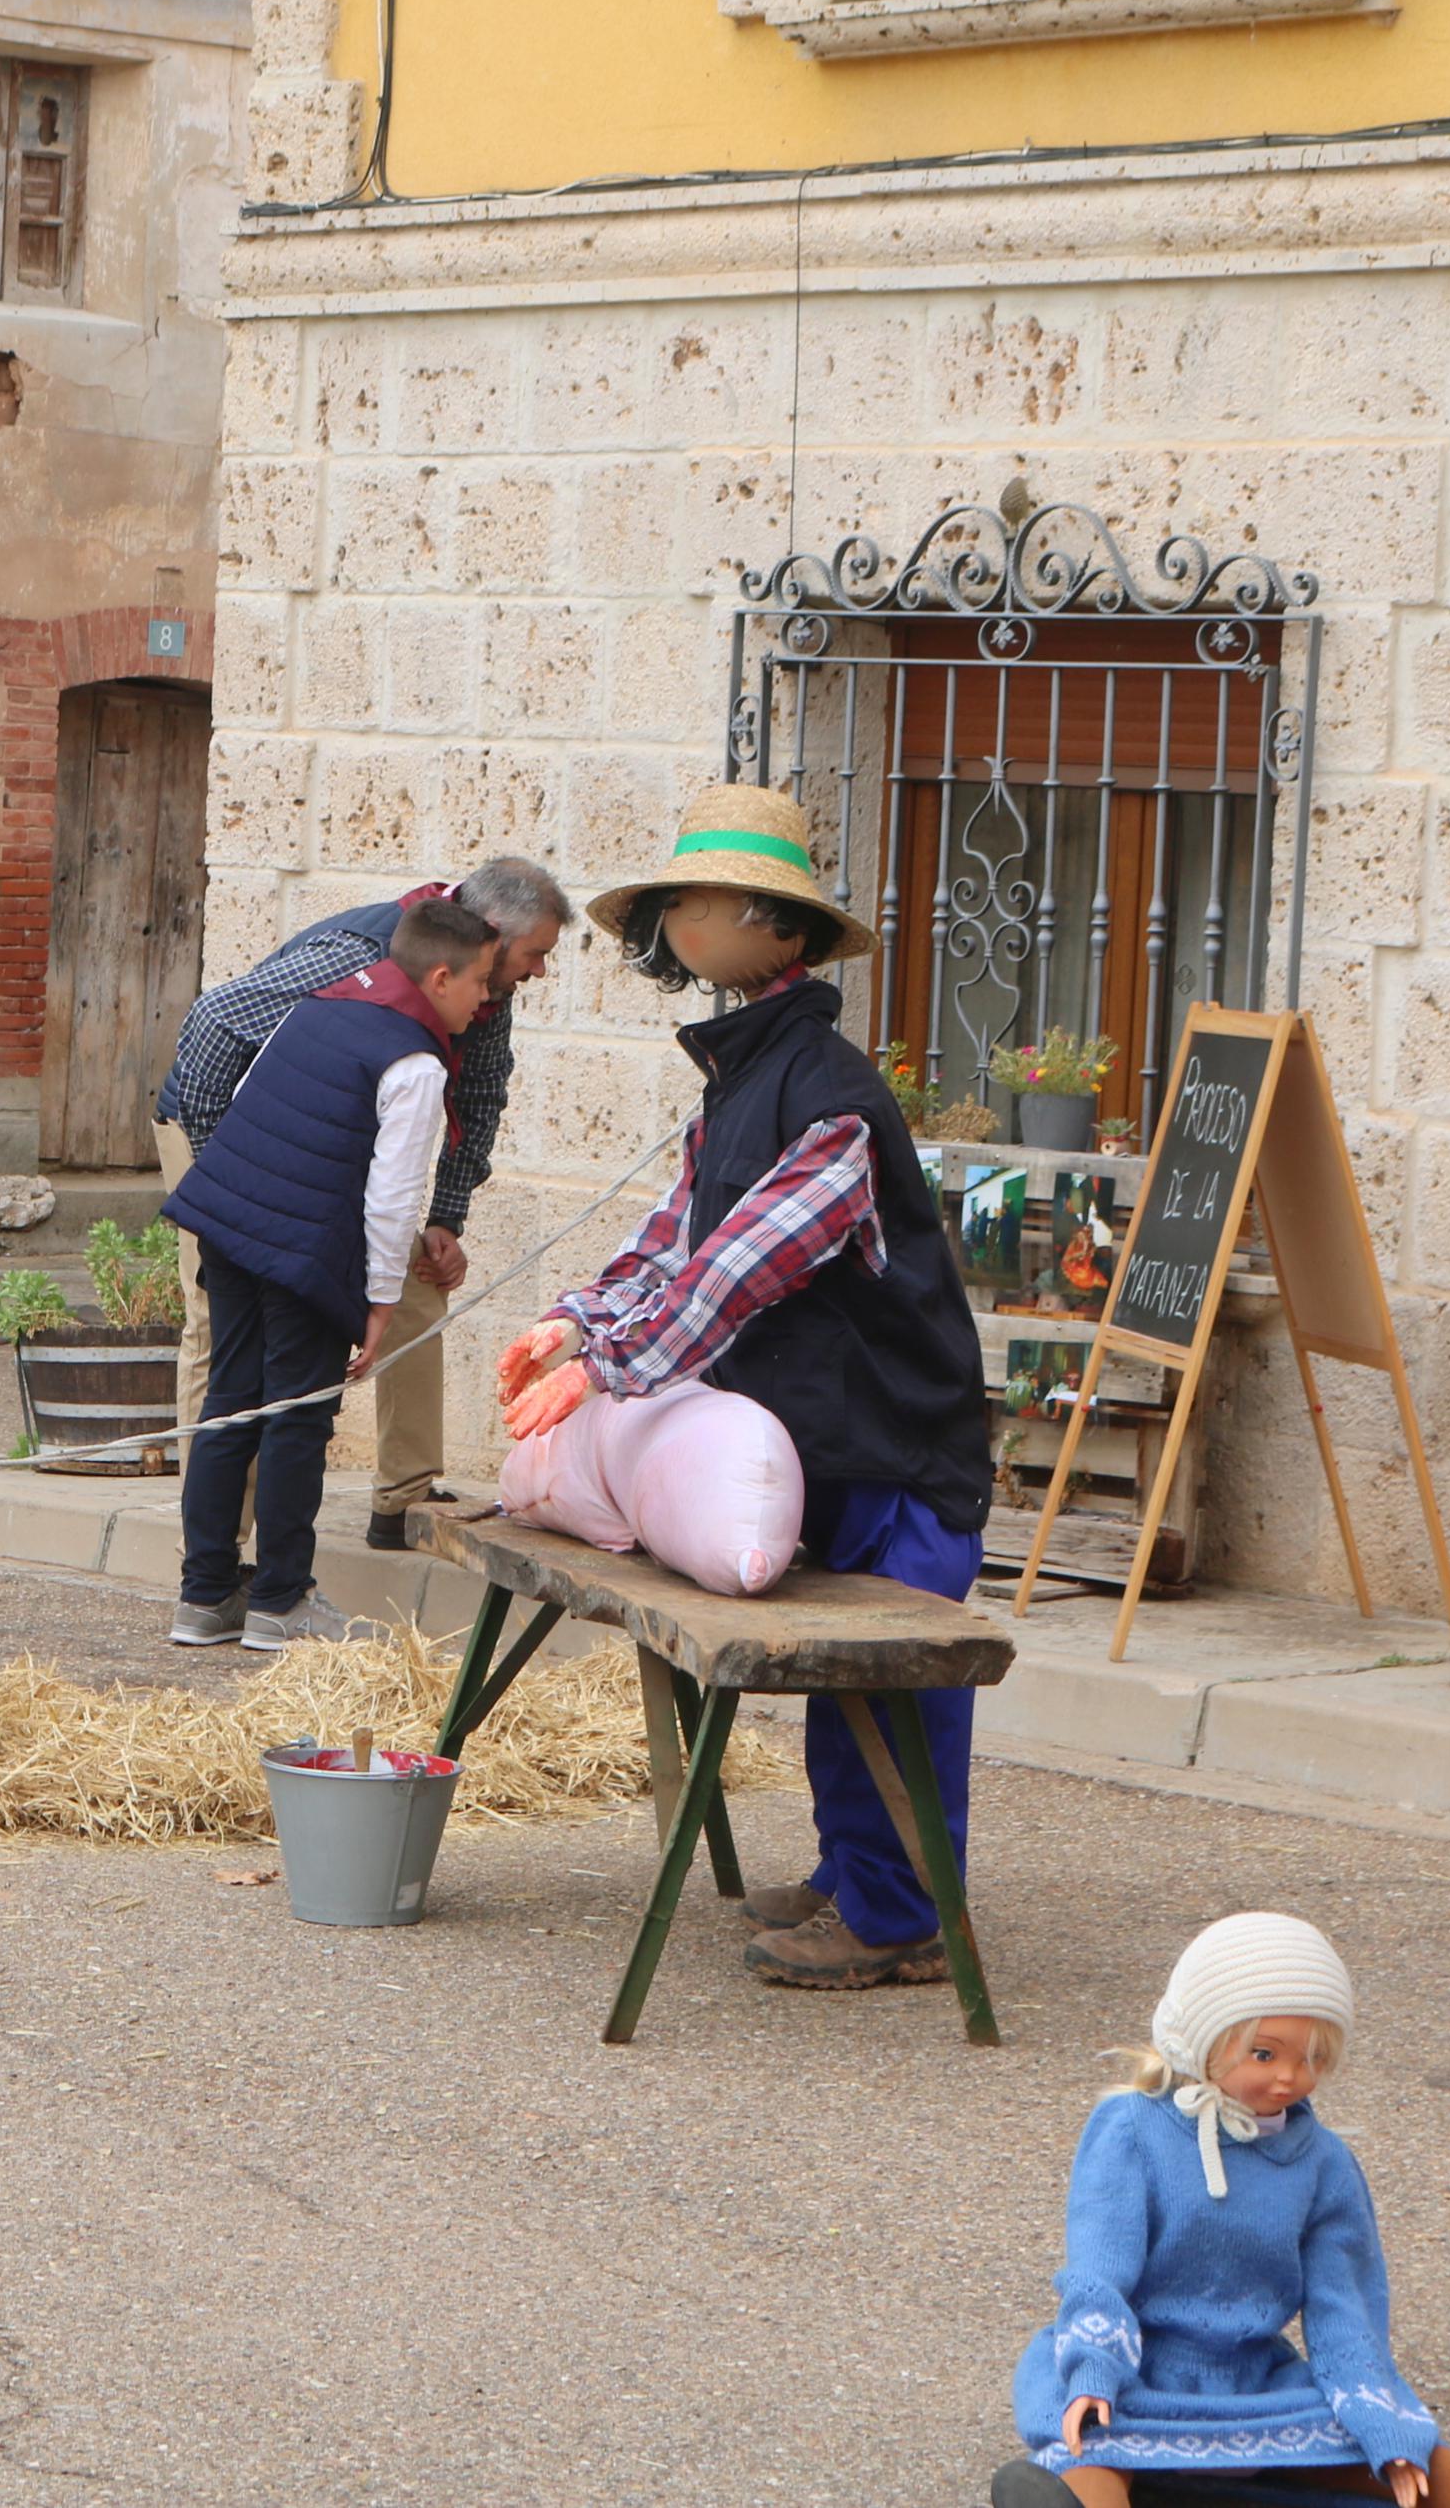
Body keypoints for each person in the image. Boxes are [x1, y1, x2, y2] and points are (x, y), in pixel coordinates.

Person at [494, 783, 994, 1992]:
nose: (675, 915)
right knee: (836, 1683)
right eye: (673, 897)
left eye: (700, 898)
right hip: (831, 1436)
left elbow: (736, 1271)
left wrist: (608, 1368)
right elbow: (671, 1239)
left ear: (774, 928)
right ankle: (853, 1877)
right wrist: (572, 1322)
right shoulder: (741, 1076)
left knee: (895, 1693)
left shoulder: (826, 1097)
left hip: (899, 1439)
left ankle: (898, 1920)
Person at [999, 1914, 1450, 2508]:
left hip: (1254, 2383)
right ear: (1202, 2037)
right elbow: (1100, 2270)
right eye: (1263, 2052)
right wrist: (1096, 2368)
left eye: (1311, 2059)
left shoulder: (1324, 2163)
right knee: (1092, 2447)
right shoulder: (1130, 2129)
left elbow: (1344, 2307)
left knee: (1409, 2460)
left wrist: (1380, 2423)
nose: (1288, 2077)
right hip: (1136, 2372)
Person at [155, 855, 569, 1551]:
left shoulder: (482, 986)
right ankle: (216, 1536)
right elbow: (217, 1021)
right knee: (222, 1331)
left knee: (416, 1288)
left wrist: (444, 1218)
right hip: (228, 1138)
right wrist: (221, 1161)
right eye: (534, 955)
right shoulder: (359, 951)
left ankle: (402, 1502)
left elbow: (477, 1096)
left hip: (342, 1154)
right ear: (492, 937)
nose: (538, 972)